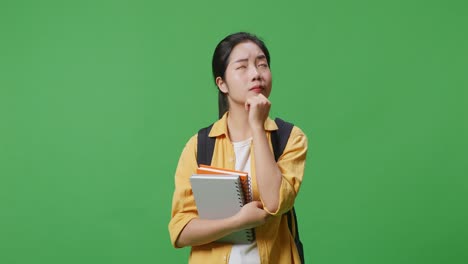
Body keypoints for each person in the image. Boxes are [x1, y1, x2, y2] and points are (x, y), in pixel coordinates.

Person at [168, 32, 308, 264]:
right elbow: (180, 231)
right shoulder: (199, 146)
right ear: (221, 83)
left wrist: (257, 126)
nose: (256, 74)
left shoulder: (289, 138)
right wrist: (238, 222)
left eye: (262, 65)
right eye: (242, 67)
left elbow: (275, 203)